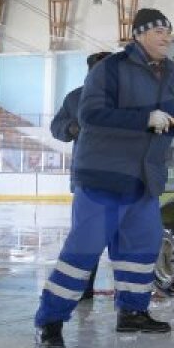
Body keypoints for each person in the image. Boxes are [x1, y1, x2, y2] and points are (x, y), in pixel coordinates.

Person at [35, 8, 174, 348]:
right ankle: (49, 322)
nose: (166, 37)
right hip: (103, 177)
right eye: (158, 32)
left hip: (145, 180)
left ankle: (132, 313)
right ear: (138, 35)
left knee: (141, 248)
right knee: (84, 249)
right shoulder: (110, 70)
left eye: (168, 31)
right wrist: (145, 118)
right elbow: (91, 115)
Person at [49, 50, 111, 300]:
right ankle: (84, 288)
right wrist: (71, 127)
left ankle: (131, 296)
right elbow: (56, 127)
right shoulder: (75, 98)